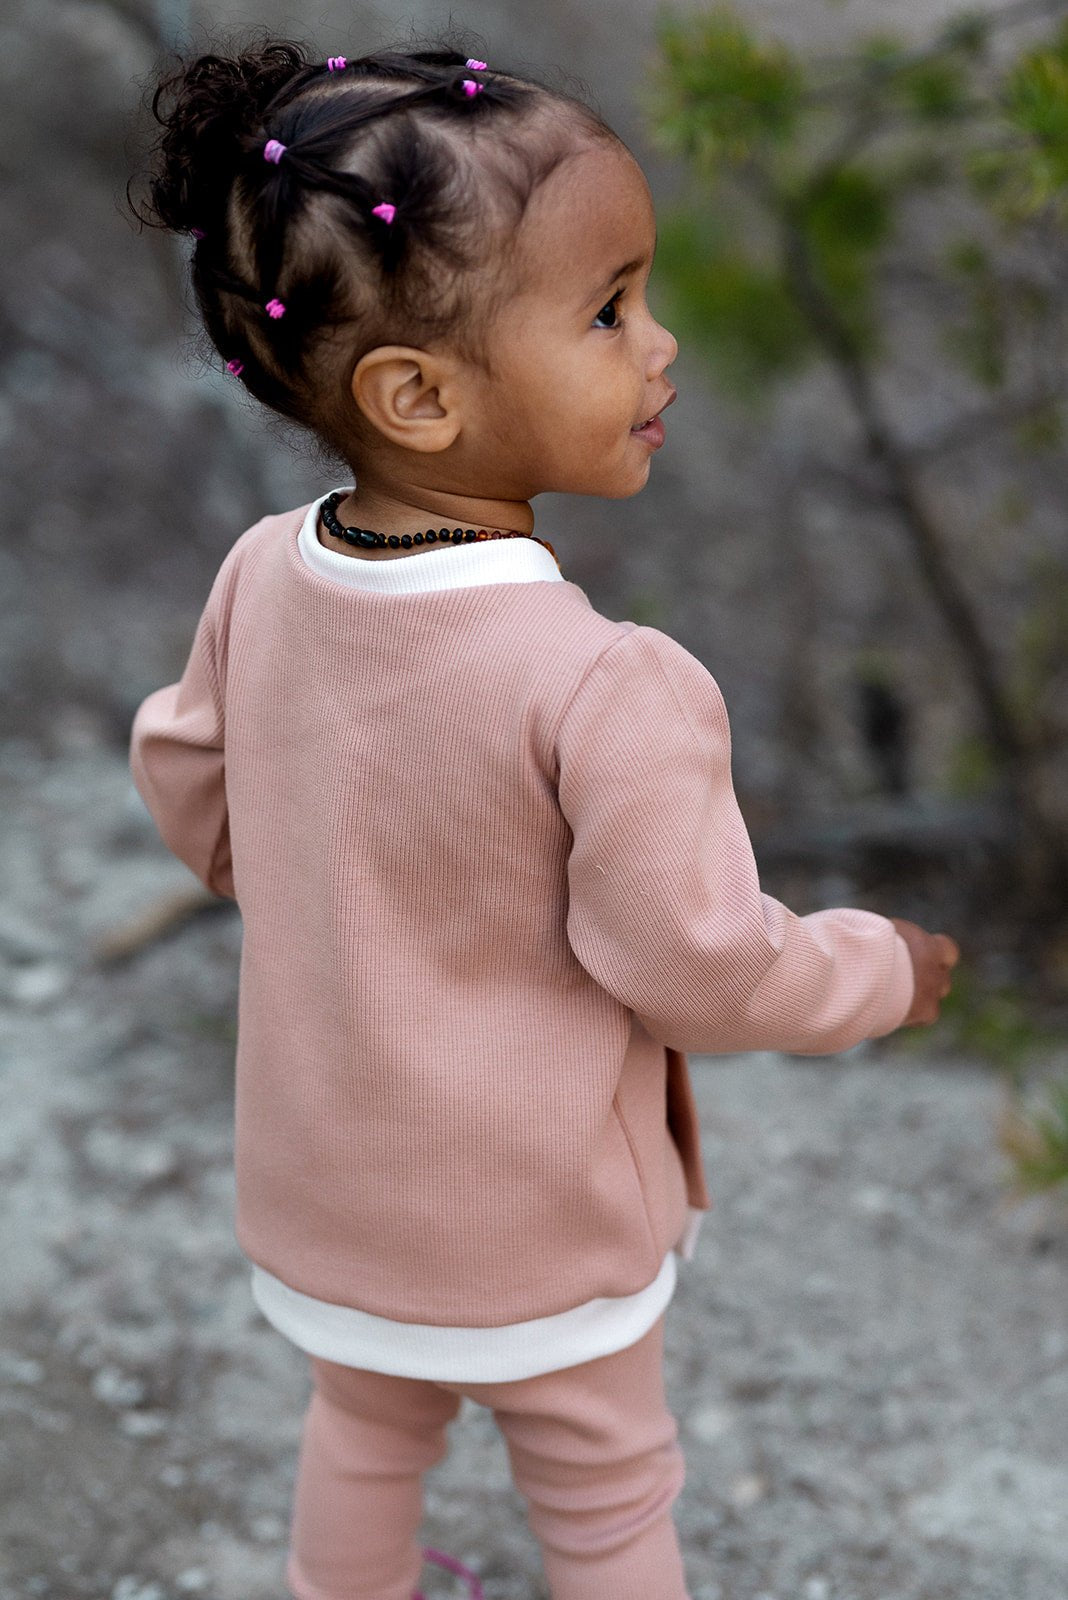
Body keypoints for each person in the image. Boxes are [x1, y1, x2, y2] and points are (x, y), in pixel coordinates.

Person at [127, 36, 960, 1600]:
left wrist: (314, 890)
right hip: (541, 1233)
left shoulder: (261, 573)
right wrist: (877, 969)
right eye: (605, 311)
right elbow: (702, 969)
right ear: (421, 396)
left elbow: (185, 775)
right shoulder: (602, 683)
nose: (660, 350)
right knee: (605, 1488)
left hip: (330, 1203)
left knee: (363, 1434)